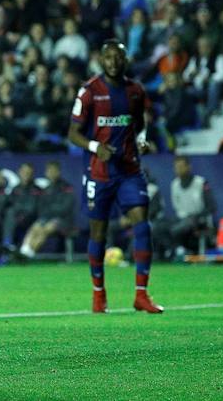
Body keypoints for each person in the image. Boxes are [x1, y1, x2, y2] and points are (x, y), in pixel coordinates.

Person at [68, 39, 163, 314]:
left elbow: (141, 121)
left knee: (142, 225)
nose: (113, 62)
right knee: (99, 232)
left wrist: (142, 138)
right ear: (101, 60)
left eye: (118, 57)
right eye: (108, 57)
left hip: (129, 170)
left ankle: (141, 295)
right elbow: (73, 133)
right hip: (99, 173)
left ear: (125, 60)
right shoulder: (89, 91)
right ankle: (99, 294)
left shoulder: (135, 90)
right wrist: (97, 147)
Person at [156, 156, 216, 259]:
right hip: (181, 218)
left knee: (178, 228)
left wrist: (196, 216)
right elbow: (177, 206)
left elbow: (212, 207)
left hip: (199, 219)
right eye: (176, 167)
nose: (179, 169)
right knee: (158, 226)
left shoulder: (201, 183)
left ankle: (178, 250)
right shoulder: (174, 184)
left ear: (189, 167)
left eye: (181, 166)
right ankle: (171, 250)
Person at [19, 161, 75, 259]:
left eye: (54, 171)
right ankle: (23, 251)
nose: (51, 173)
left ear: (58, 172)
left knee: (46, 228)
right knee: (35, 226)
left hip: (63, 221)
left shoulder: (66, 187)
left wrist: (50, 212)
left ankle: (29, 255)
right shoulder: (46, 189)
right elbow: (42, 208)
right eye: (49, 171)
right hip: (47, 218)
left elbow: (66, 208)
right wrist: (46, 215)